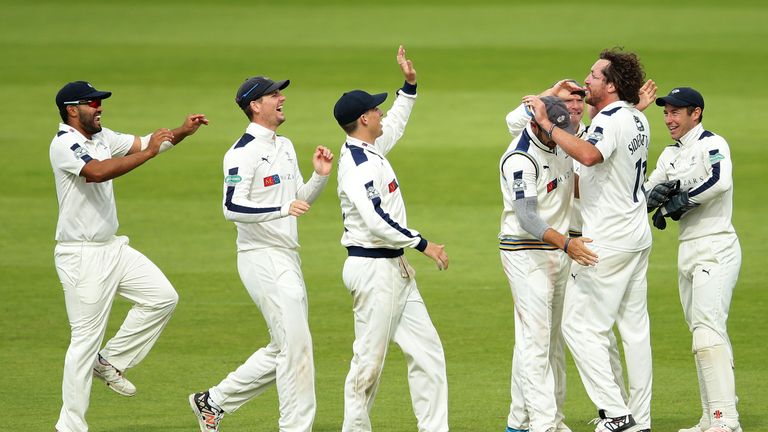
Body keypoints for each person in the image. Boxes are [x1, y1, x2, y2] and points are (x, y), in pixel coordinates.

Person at [50, 80, 208, 432]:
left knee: (162, 298)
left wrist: (182, 131)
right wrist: (149, 152)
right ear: (72, 110)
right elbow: (96, 172)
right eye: (92, 103)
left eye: (100, 101)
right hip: (81, 256)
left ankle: (110, 361)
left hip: (112, 247)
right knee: (83, 342)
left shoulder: (102, 138)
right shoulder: (65, 144)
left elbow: (148, 143)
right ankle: (69, 426)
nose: (99, 107)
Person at [188, 76, 333, 432]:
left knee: (285, 344)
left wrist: (319, 178)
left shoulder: (283, 145)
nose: (281, 98)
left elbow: (296, 198)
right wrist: (283, 209)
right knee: (296, 348)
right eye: (273, 95)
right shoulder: (242, 153)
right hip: (260, 256)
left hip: (287, 255)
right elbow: (232, 206)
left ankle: (214, 401)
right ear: (255, 105)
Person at [525, 48, 653, 432]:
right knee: (634, 330)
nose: (587, 80)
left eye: (595, 75)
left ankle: (617, 413)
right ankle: (640, 419)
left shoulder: (612, 119)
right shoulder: (636, 119)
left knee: (578, 327)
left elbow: (590, 154)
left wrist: (548, 125)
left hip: (608, 240)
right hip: (635, 234)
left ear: (611, 85)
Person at [334, 45, 450, 432]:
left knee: (428, 352)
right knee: (368, 364)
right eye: (377, 109)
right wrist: (423, 244)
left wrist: (409, 87)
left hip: (394, 270)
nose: (382, 113)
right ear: (364, 118)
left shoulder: (368, 146)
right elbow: (375, 220)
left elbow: (395, 124)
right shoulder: (359, 165)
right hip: (373, 269)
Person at [645, 87, 742, 432]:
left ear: (696, 113)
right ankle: (711, 416)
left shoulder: (713, 145)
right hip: (688, 249)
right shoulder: (669, 157)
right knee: (704, 333)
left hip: (716, 246)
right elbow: (645, 194)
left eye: (676, 112)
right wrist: (650, 198)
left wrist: (680, 201)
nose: (669, 119)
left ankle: (724, 420)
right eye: (666, 113)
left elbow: (719, 181)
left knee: (706, 334)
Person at [499, 95, 597, 432]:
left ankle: (534, 421)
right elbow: (527, 217)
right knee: (537, 340)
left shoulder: (556, 137)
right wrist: (568, 243)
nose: (559, 135)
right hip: (526, 253)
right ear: (536, 124)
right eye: (551, 129)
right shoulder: (519, 158)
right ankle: (542, 425)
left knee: (548, 339)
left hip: (557, 252)